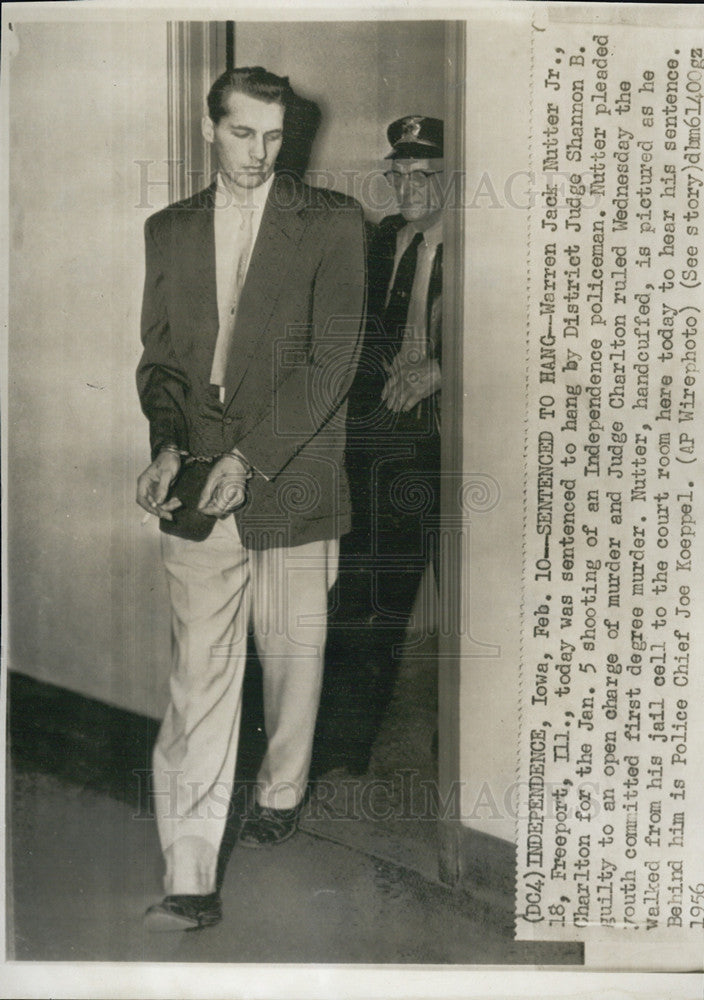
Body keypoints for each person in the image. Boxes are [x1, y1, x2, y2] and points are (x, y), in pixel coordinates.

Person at [136, 66, 365, 931]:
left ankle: (280, 789)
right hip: (197, 480)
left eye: (274, 138)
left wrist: (252, 459)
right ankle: (189, 877)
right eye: (242, 134)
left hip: (295, 473)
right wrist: (166, 443)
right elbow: (160, 365)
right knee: (198, 674)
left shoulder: (333, 223)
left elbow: (332, 361)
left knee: (294, 651)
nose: (259, 155)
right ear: (210, 127)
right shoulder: (168, 230)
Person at [316, 115, 444, 776]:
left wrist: (445, 369)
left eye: (424, 175)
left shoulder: (488, 248)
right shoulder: (384, 238)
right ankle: (342, 747)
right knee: (358, 589)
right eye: (398, 175)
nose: (408, 188)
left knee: (398, 591)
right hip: (368, 440)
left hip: (439, 448)